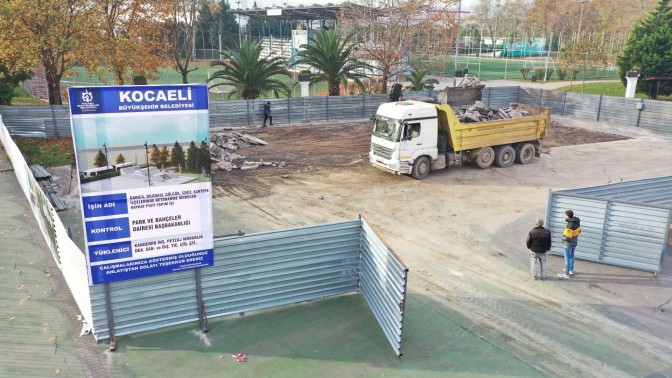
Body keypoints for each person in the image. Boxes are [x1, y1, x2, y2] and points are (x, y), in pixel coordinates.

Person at [558, 210, 582, 279]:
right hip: (574, 242)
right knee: (571, 256)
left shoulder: (570, 225)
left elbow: (568, 238)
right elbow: (580, 230)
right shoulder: (577, 222)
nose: (565, 216)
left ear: (568, 216)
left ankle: (566, 273)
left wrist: (562, 238)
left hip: (568, 244)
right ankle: (570, 270)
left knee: (567, 258)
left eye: (565, 215)